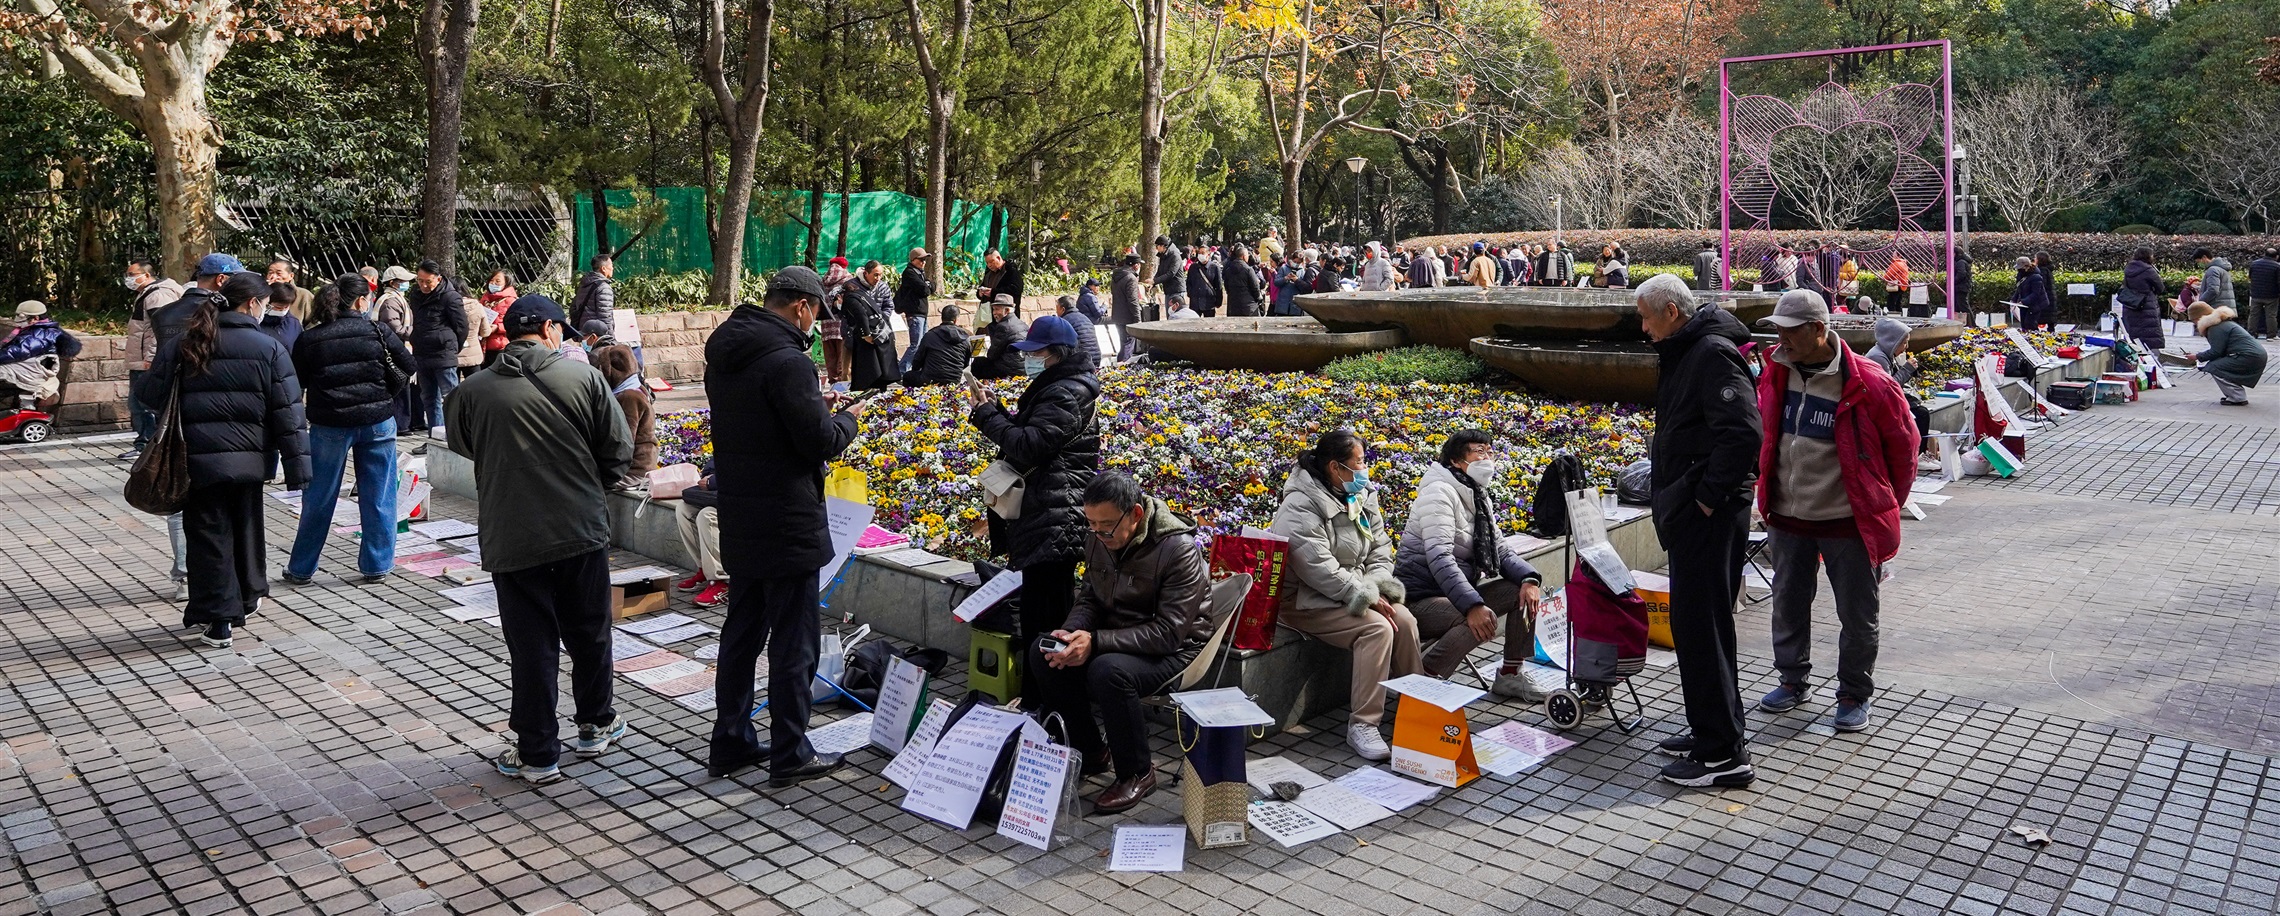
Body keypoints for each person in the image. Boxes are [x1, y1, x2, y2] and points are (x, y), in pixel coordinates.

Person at [448, 294, 634, 785]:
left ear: (508, 333)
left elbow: (464, 444)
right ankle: (596, 724)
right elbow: (618, 449)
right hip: (579, 529)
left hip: (513, 534)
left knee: (531, 644)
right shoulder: (585, 378)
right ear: (551, 330)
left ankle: (537, 752)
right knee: (590, 630)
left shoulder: (474, 390)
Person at [706, 267, 868, 787]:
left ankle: (730, 741)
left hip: (741, 513)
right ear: (801, 306)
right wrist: (847, 421)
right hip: (788, 520)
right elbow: (816, 442)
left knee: (742, 631)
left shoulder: (725, 354)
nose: (818, 321)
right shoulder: (788, 362)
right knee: (793, 642)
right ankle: (791, 751)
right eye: (818, 311)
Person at [1752, 288, 1914, 736]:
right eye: (1777, 331)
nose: (1780, 340)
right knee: (1787, 605)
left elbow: (1905, 452)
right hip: (1788, 518)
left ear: (1818, 330)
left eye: (1789, 331)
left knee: (1858, 615)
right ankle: (1792, 680)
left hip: (1849, 522)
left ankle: (1853, 695)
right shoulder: (1776, 374)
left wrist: (1881, 505)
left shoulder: (1871, 382)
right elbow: (1770, 438)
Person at [132, 272, 311, 650]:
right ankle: (245, 601)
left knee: (208, 536)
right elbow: (289, 413)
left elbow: (149, 394)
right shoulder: (268, 347)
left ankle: (218, 620)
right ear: (253, 304)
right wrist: (299, 470)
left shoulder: (185, 341)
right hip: (249, 461)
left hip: (195, 459)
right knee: (246, 529)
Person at [1634, 273, 1760, 788]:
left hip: (1707, 513)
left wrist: (1707, 500)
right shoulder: (1692, 348)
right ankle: (1713, 728)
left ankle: (1722, 756)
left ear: (1670, 311)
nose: (1642, 328)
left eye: (1645, 316)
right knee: (1699, 627)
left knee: (1702, 628)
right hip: (1694, 508)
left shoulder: (1709, 352)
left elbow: (1743, 434)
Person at [1032, 472, 1211, 813]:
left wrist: (1095, 642)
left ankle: (1137, 773)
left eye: (1107, 526)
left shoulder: (1178, 550)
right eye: (1092, 525)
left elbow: (1169, 632)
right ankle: (1093, 752)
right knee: (1044, 653)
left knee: (1108, 670)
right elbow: (1090, 599)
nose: (1098, 534)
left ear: (1136, 515)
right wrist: (1070, 634)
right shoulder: (1100, 538)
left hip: (1177, 649)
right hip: (1119, 637)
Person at [966, 315, 1101, 700]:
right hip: (1051, 510)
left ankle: (1047, 702)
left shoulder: (1063, 392)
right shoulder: (1061, 387)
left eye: (1036, 353)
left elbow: (1028, 446)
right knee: (1042, 612)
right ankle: (1041, 696)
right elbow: (1036, 436)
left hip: (1054, 514)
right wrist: (1002, 413)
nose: (1029, 360)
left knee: (1046, 619)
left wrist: (987, 416)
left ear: (1055, 355)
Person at [1270, 430, 1420, 762]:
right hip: (1305, 601)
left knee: (1405, 620)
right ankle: (1363, 725)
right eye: (1360, 463)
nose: (1365, 470)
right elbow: (1317, 568)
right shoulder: (1300, 504)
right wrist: (1363, 593)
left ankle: (1418, 707)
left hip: (1351, 591)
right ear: (1336, 468)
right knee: (1377, 629)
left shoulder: (1362, 494)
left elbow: (1381, 550)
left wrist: (1375, 587)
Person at [282, 275, 413, 586]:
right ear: (360, 301)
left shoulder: (311, 338)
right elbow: (408, 364)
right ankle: (376, 565)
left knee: (318, 497)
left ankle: (301, 568)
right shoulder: (377, 331)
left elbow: (295, 381)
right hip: (378, 420)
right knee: (379, 494)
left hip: (329, 424)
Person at [1395, 429, 1543, 688]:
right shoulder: (1439, 493)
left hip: (1453, 593)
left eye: (1490, 452)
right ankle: (1424, 683)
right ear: (1455, 460)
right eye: (1479, 452)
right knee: (1478, 617)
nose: (1487, 459)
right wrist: (1472, 605)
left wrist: (1529, 579)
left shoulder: (1476, 494)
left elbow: (1501, 550)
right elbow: (1439, 557)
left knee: (1520, 591)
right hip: (1419, 598)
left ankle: (1510, 676)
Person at [140, 253, 240, 601]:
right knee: (220, 503)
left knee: (177, 494)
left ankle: (183, 575)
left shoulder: (164, 313)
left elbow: (155, 380)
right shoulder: (220, 313)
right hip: (219, 416)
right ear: (222, 280)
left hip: (172, 417)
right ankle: (223, 574)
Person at [121, 257, 184, 461]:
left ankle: (147, 446)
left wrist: (152, 358)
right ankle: (145, 444)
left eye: (132, 275)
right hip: (142, 359)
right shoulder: (147, 294)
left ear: (146, 275)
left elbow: (162, 330)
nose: (128, 279)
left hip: (148, 361)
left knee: (143, 404)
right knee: (139, 404)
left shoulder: (159, 295)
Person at [407, 260, 468, 438]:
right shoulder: (416, 295)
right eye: (420, 280)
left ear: (439, 279)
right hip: (422, 353)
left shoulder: (450, 297)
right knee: (429, 399)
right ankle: (435, 437)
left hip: (444, 353)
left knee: (451, 398)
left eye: (428, 281)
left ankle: (458, 437)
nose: (423, 285)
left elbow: (461, 327)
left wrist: (449, 345)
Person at [0, 301, 82, 408]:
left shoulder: (40, 335)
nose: (17, 320)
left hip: (29, 373)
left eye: (21, 317)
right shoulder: (37, 331)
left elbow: (14, 352)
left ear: (35, 318)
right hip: (25, 368)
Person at [594, 344, 655, 486]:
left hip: (634, 471)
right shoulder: (634, 388)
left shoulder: (628, 397)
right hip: (636, 467)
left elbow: (623, 441)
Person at [673, 460, 729, 608]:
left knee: (707, 515)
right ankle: (705, 569)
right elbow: (714, 461)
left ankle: (721, 581)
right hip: (723, 494)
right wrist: (708, 475)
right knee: (684, 509)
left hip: (751, 500)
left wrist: (713, 481)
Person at [837, 260, 901, 390]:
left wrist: (879, 321)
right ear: (866, 273)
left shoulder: (883, 286)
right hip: (856, 333)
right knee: (851, 368)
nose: (878, 278)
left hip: (878, 333)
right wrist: (866, 332)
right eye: (875, 275)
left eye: (880, 275)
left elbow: (889, 306)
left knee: (877, 368)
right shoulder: (852, 287)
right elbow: (856, 313)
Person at [2190, 302, 2266, 406]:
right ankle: (2235, 395)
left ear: (2199, 318)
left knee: (2214, 367)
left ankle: (2237, 397)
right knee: (2221, 365)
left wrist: (2197, 356)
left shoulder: (2215, 328)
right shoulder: (2223, 323)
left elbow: (2216, 352)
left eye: (2193, 320)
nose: (2194, 324)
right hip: (2254, 355)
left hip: (2249, 356)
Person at [901, 304, 972, 386]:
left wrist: (916, 370)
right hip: (954, 380)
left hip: (929, 379)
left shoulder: (930, 335)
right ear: (956, 320)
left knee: (907, 376)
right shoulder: (965, 338)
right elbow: (965, 364)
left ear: (941, 318)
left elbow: (918, 360)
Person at [972, 295, 1031, 379]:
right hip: (1023, 367)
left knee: (979, 362)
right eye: (993, 309)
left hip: (1009, 370)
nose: (994, 313)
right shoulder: (1022, 323)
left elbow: (992, 355)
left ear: (1007, 310)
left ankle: (979, 387)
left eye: (997, 309)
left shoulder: (1003, 326)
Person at [895, 248, 935, 373]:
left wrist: (928, 285)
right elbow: (925, 290)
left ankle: (916, 369)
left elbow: (933, 286)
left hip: (922, 313)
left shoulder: (920, 273)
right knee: (915, 344)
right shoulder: (909, 273)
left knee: (922, 344)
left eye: (925, 260)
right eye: (921, 260)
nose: (923, 262)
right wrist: (927, 285)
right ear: (913, 260)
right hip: (914, 313)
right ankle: (901, 370)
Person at [2120, 248, 2168, 350]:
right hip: (2146, 306)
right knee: (2149, 335)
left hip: (2131, 305)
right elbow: (2161, 288)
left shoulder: (2128, 268)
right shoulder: (2149, 270)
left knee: (2133, 333)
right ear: (2148, 256)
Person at [820, 257, 854, 385]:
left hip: (826, 324)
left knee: (830, 356)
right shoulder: (848, 280)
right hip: (841, 324)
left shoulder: (823, 281)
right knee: (843, 357)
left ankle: (833, 382)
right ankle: (842, 384)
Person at [478, 269, 517, 367]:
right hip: (483, 344)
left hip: (500, 345)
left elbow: (514, 322)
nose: (493, 283)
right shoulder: (485, 298)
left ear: (507, 282)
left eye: (497, 281)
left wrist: (497, 327)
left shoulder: (511, 301)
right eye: (491, 280)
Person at [1111, 253, 1146, 361]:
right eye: (1139, 264)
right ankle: (1123, 367)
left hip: (1117, 315)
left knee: (1123, 343)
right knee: (1128, 343)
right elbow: (1133, 301)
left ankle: (1120, 365)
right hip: (1128, 317)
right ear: (1135, 265)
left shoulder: (1116, 276)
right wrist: (1138, 319)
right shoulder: (1130, 278)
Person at [570, 255, 616, 331]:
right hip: (596, 335)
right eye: (611, 265)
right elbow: (605, 317)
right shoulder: (604, 287)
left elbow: (573, 308)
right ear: (603, 268)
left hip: (583, 332)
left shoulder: (584, 284)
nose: (612, 268)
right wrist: (609, 339)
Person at [1055, 295, 1102, 370]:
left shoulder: (1064, 321)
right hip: (1096, 358)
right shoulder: (1085, 317)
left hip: (1081, 361)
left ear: (1062, 309)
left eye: (1057, 309)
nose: (1056, 312)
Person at [457, 286, 493, 380]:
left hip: (453, 354)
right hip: (473, 355)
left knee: (452, 391)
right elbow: (485, 332)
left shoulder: (448, 306)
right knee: (475, 389)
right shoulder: (477, 306)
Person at [2011, 257, 2053, 331]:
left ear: (2026, 267)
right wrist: (2014, 299)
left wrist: (2023, 301)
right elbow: (2019, 288)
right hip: (2024, 304)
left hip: (2035, 304)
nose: (2019, 270)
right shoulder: (2020, 275)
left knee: (2030, 325)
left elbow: (2036, 294)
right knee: (2023, 325)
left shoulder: (2036, 277)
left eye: (2020, 268)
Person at [2246, 248, 2280, 339]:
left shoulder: (2254, 263)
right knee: (2271, 315)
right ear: (2276, 256)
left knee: (2253, 314)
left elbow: (2250, 277)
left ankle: (2251, 333)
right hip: (2272, 295)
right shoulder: (2277, 266)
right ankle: (2271, 335)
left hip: (2256, 294)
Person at [1223, 246, 1264, 316]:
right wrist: (1258, 298)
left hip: (1233, 305)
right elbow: (1255, 287)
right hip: (1249, 306)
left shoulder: (1228, 270)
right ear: (1244, 256)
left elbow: (1226, 286)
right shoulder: (1248, 269)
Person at [2195, 249, 2237, 317]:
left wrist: (2200, 302)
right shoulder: (2222, 268)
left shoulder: (2212, 270)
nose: (2199, 265)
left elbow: (2213, 290)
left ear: (2204, 257)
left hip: (2217, 308)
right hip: (2226, 308)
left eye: (2198, 262)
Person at [1152, 236, 1185, 316]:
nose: (1156, 249)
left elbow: (1171, 273)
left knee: (1176, 316)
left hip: (1176, 290)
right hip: (1168, 290)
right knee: (1169, 315)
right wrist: (1153, 282)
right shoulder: (1163, 256)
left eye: (1157, 246)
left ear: (1163, 246)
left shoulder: (1175, 256)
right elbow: (1160, 271)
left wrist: (1155, 281)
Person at [1185, 245, 1221, 317]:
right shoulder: (1193, 267)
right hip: (1195, 303)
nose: (1201, 255)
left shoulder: (1214, 267)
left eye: (1203, 253)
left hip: (1209, 303)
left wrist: (1218, 301)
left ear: (1208, 254)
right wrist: (1191, 293)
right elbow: (1188, 282)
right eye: (1199, 253)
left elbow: (1218, 285)